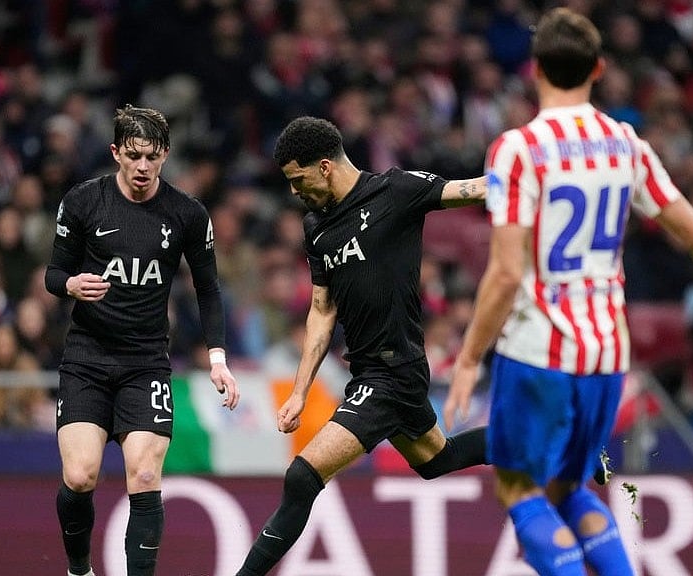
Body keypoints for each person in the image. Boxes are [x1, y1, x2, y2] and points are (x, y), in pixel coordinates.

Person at [443, 9, 693, 576]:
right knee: (570, 488)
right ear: (599, 69)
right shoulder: (625, 143)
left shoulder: (518, 149)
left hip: (539, 349)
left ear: (535, 70)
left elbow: (506, 273)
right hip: (606, 352)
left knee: (519, 488)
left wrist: (467, 359)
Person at [235, 116, 490, 576]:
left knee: (302, 476)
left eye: (298, 179)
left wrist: (538, 172)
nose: (293, 191)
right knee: (439, 459)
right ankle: (550, 440)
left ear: (325, 166)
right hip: (369, 372)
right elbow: (322, 311)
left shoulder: (397, 191)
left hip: (393, 373)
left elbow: (474, 190)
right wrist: (299, 391)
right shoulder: (316, 227)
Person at [45, 104, 240, 576]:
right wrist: (70, 285)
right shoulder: (83, 202)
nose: (143, 166)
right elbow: (54, 273)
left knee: (146, 473)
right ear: (116, 153)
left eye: (152, 157)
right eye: (133, 156)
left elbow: (208, 289)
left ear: (165, 154)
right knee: (80, 475)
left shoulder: (187, 213)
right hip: (87, 358)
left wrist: (218, 358)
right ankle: (79, 570)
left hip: (146, 361)